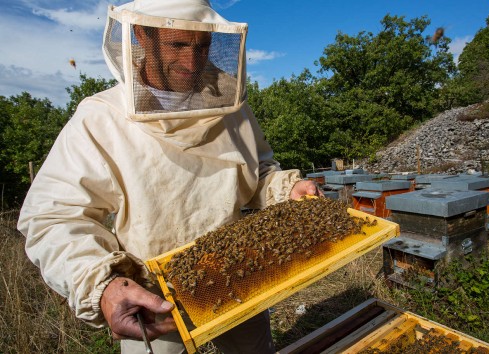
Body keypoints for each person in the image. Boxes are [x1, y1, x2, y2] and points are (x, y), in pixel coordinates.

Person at [17, 0, 321, 353]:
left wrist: (287, 188)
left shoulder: (232, 106)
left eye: (202, 45)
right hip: (150, 296)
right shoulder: (100, 119)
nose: (192, 61)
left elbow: (258, 175)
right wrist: (103, 285)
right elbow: (53, 216)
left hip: (240, 271)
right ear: (143, 36)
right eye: (178, 44)